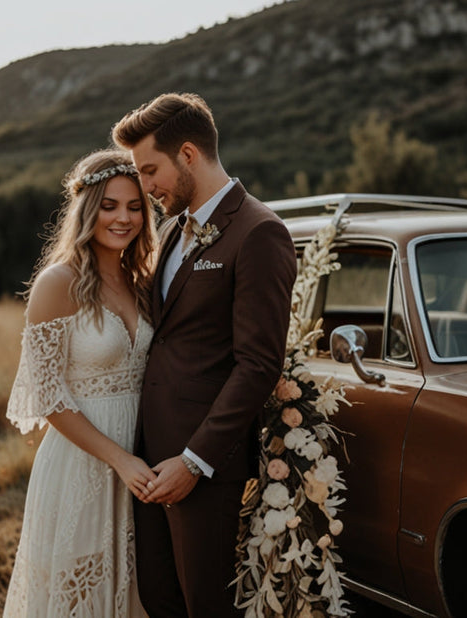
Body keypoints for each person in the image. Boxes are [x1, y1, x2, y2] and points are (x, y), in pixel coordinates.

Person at [112, 93, 297, 617]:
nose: (145, 188)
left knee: (206, 606)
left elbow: (259, 363)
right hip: (148, 457)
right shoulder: (173, 230)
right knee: (159, 598)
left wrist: (195, 462)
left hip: (202, 467)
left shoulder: (260, 232)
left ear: (188, 155)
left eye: (150, 171)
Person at [3, 148, 159, 618]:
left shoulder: (143, 282)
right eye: (110, 205)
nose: (124, 218)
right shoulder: (58, 283)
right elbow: (48, 395)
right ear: (88, 208)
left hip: (143, 457)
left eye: (135, 207)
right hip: (83, 464)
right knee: (79, 592)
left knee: (137, 589)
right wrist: (121, 461)